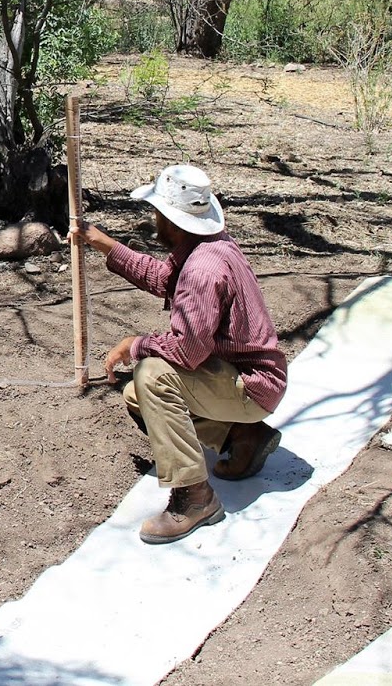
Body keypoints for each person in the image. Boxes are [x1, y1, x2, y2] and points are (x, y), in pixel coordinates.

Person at [69, 164, 287, 545]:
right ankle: (241, 437)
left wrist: (135, 345)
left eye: (157, 213)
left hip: (250, 385)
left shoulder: (203, 268)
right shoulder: (205, 246)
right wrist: (103, 243)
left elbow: (187, 351)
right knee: (138, 394)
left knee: (152, 375)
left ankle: (194, 498)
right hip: (241, 376)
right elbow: (162, 279)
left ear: (171, 218)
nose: (154, 220)